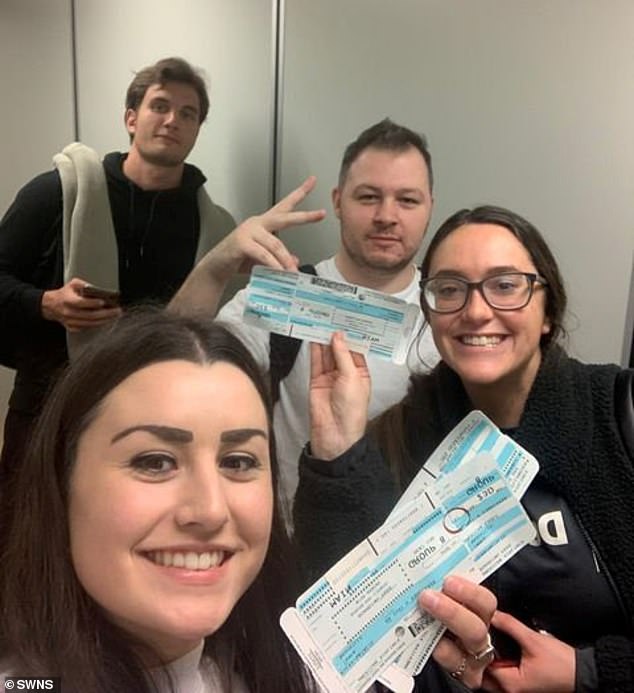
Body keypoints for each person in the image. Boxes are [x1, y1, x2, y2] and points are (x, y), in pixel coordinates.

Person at [294, 205, 634, 691]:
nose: (476, 310)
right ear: (431, 315)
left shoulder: (618, 417)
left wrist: (589, 674)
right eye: (450, 289)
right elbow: (340, 626)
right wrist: (337, 447)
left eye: (505, 285)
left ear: (548, 310)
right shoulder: (399, 441)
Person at [0, 309, 318, 693]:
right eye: (155, 462)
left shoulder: (290, 669)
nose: (210, 510)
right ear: (61, 483)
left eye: (238, 461)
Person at [171, 119, 439, 510]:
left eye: (408, 200)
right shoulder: (289, 293)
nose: (387, 215)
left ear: (430, 205)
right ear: (336, 201)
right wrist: (216, 266)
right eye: (368, 197)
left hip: (408, 554)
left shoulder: (455, 310)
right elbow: (173, 375)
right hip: (294, 543)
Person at [0, 56, 236, 481]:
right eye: (160, 106)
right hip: (46, 410)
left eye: (188, 114)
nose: (172, 121)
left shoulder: (214, 229)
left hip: (153, 421)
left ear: (198, 130)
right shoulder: (57, 194)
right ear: (131, 117)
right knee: (25, 537)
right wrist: (45, 303)